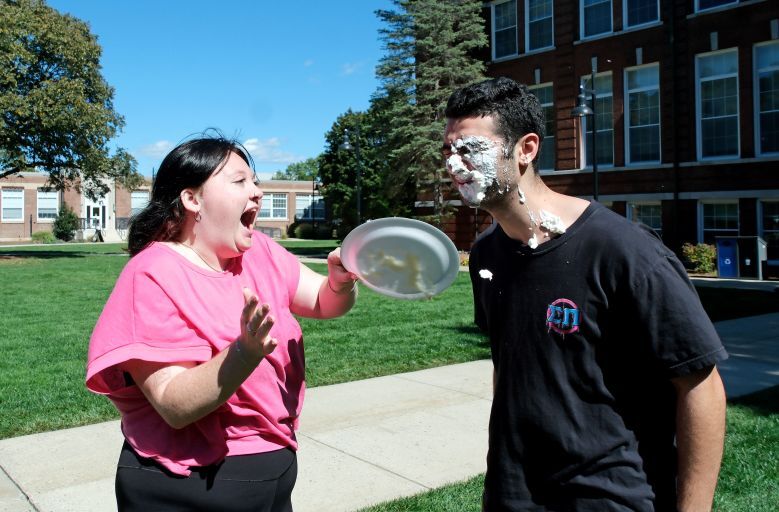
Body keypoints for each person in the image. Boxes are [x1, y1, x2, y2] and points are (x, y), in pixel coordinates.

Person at [442, 77, 728, 511]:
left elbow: (700, 386)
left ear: (526, 149)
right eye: (448, 150)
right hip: (513, 493)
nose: (454, 165)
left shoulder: (624, 250)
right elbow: (509, 364)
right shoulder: (487, 253)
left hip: (608, 494)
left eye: (469, 148)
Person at [86, 134, 358, 511]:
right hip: (189, 484)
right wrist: (243, 353)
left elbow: (322, 300)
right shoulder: (152, 274)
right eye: (239, 181)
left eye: (255, 181)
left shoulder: (259, 251)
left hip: (274, 465)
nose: (257, 192)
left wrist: (340, 283)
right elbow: (173, 403)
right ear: (192, 199)